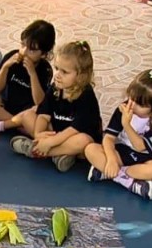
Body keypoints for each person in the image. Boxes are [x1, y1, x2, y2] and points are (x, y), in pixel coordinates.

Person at [10, 40, 101, 173]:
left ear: (81, 76)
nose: (57, 74)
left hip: (73, 136)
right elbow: (43, 115)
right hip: (55, 132)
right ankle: (60, 155)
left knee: (83, 141)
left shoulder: (86, 95)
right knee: (28, 116)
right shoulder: (55, 88)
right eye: (57, 68)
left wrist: (49, 143)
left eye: (64, 72)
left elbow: (74, 130)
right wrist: (39, 134)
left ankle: (35, 150)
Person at [84, 68, 152, 201]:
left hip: (147, 159)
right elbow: (109, 138)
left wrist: (126, 124)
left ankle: (110, 173)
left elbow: (140, 146)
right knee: (90, 149)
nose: (132, 105)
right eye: (131, 98)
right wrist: (111, 159)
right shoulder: (125, 107)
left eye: (139, 104)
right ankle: (130, 182)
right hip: (122, 153)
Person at [0, 19, 55, 133]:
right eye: (23, 45)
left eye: (31, 50)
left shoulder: (45, 69)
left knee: (39, 119)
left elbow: (40, 103)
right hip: (7, 110)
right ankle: (18, 125)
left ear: (43, 54)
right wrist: (5, 68)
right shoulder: (12, 56)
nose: (24, 52)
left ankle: (11, 125)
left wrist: (32, 74)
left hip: (28, 113)